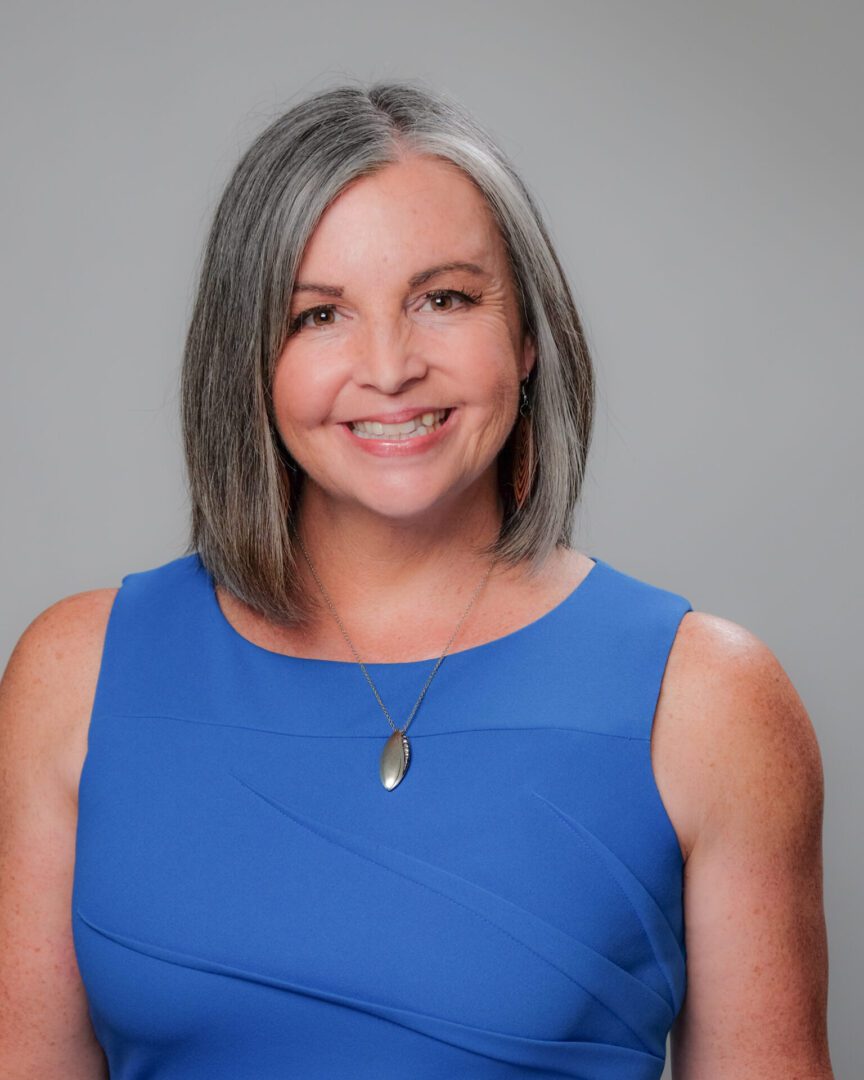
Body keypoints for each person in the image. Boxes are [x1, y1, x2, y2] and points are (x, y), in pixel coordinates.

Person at [0, 80, 833, 1080]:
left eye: (444, 298)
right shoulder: (71, 678)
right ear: (248, 359)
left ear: (527, 336)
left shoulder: (709, 703)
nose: (390, 367)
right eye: (319, 315)